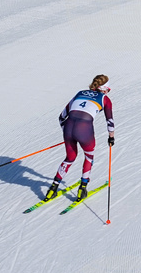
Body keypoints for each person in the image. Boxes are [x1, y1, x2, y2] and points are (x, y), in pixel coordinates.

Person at [43, 74, 115, 202]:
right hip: (84, 129)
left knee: (70, 158)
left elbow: (61, 117)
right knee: (89, 157)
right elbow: (109, 121)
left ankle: (52, 190)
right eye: (108, 90)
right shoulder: (104, 99)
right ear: (104, 89)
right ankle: (82, 189)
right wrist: (111, 138)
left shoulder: (80, 93)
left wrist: (66, 133)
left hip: (68, 128)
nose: (108, 92)